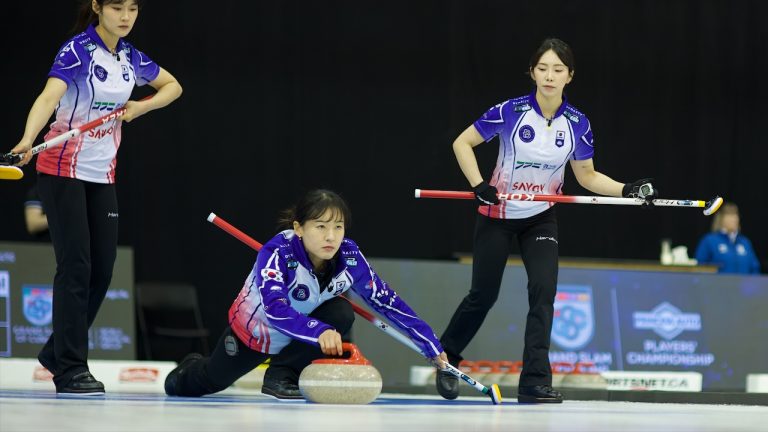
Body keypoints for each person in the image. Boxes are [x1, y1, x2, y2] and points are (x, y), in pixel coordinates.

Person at [435, 38, 657, 403]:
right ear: (532, 73)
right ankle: (446, 360)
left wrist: (629, 190)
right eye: (542, 69)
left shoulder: (578, 123)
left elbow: (587, 177)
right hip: (498, 214)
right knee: (483, 296)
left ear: (570, 76)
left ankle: (534, 381)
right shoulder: (510, 111)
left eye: (558, 70)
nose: (549, 76)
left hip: (540, 218)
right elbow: (462, 143)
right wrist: (478, 185)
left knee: (543, 292)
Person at [7, 0, 182, 395]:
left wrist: (141, 107)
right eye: (117, 7)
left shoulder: (132, 57)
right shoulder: (77, 51)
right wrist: (27, 139)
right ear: (97, 8)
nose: (125, 16)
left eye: (133, 9)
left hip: (102, 174)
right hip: (61, 168)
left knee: (102, 270)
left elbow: (173, 86)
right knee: (76, 267)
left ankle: (55, 352)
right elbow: (49, 98)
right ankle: (69, 368)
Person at [164, 189, 448, 399]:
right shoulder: (277, 252)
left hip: (300, 332)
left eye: (338, 227)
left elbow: (387, 302)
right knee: (209, 382)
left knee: (341, 311)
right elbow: (276, 310)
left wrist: (430, 345)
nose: (330, 237)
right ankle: (185, 372)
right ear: (298, 228)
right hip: (256, 334)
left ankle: (281, 374)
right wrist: (319, 330)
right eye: (321, 227)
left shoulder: (349, 256)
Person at [695, 203, 760, 274]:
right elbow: (700, 267)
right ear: (721, 219)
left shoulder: (745, 242)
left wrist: (751, 284)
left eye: (735, 215)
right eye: (729, 215)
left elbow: (755, 268)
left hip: (743, 284)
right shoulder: (709, 241)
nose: (733, 219)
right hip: (718, 284)